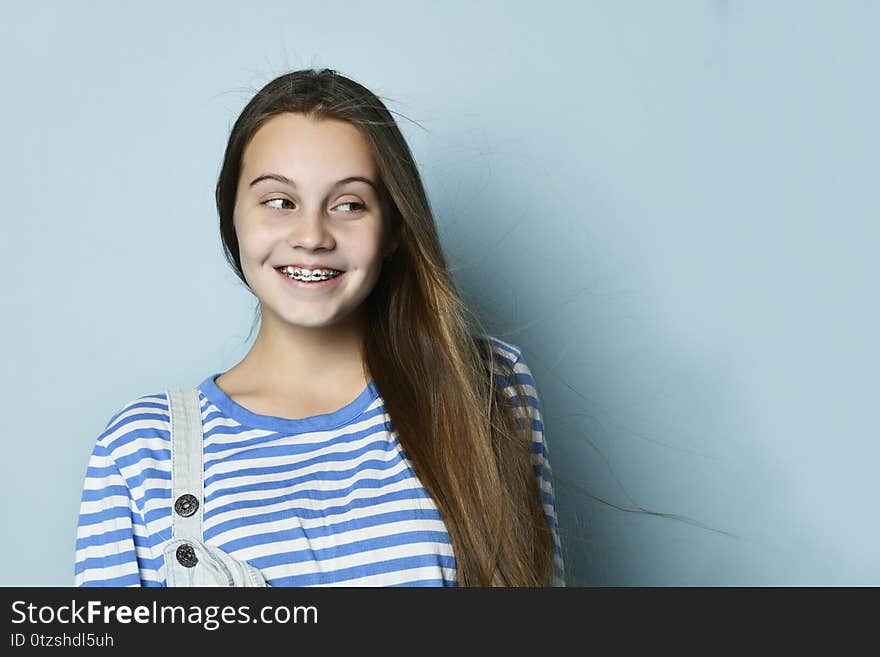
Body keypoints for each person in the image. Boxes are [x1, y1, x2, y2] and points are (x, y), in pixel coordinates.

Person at [74, 69, 565, 587]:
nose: (311, 236)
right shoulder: (142, 451)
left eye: (349, 204)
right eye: (279, 201)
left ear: (393, 226)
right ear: (231, 210)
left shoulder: (486, 387)